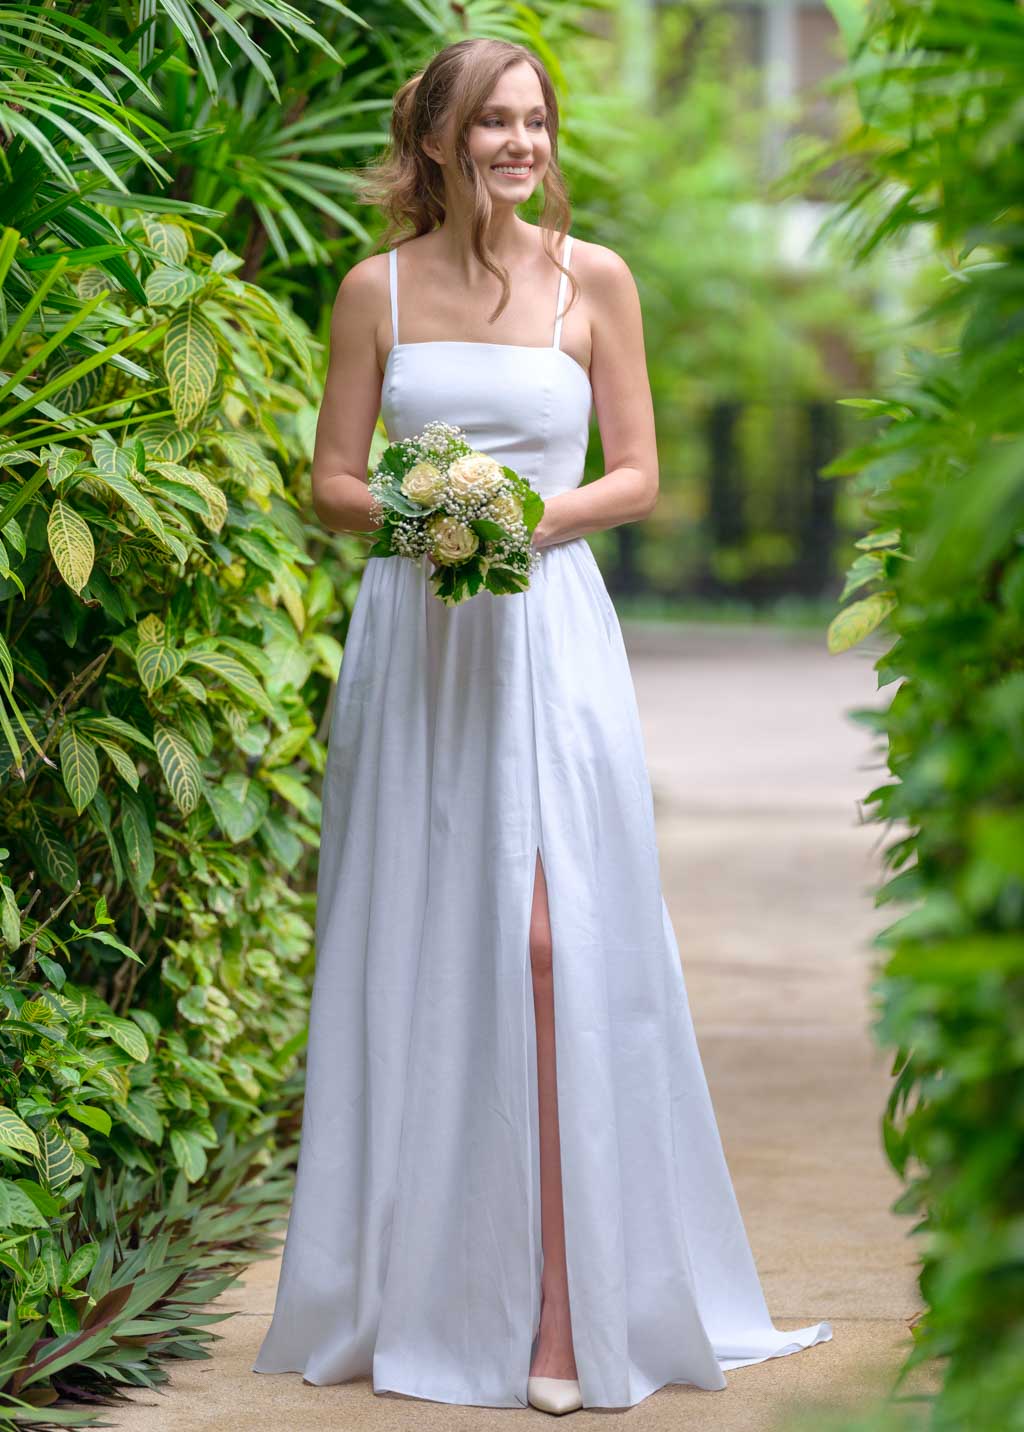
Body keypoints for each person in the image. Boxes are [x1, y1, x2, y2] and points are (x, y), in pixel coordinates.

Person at [252, 35, 832, 1416]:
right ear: (443, 139)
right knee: (424, 946)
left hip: (551, 634)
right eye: (495, 122)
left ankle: (567, 1316)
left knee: (553, 941)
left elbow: (635, 475)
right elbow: (332, 483)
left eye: (536, 121)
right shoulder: (373, 289)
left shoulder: (596, 280)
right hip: (418, 643)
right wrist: (426, 512)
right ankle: (425, 1291)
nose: (522, 143)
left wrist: (521, 520)